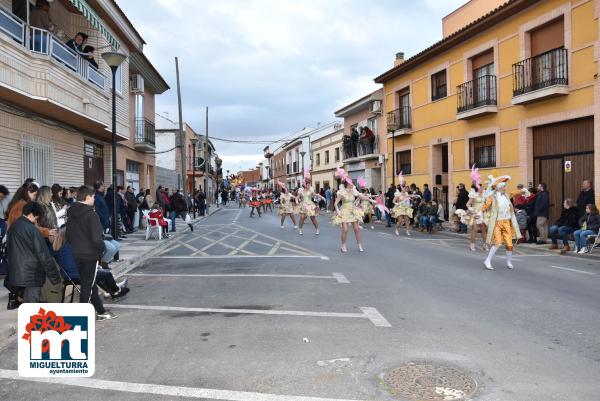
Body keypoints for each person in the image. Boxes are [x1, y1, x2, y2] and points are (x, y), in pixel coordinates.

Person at [66, 185, 116, 321]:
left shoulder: (71, 213)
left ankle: (101, 311)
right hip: (90, 255)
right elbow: (96, 238)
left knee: (89, 283)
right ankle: (81, 317)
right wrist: (102, 250)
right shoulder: (91, 214)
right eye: (93, 197)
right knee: (87, 286)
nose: (94, 199)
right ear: (87, 197)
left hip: (76, 254)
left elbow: (68, 236)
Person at [5, 202, 61, 304]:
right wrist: (55, 277)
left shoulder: (14, 226)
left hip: (18, 271)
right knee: (32, 303)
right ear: (32, 214)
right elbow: (43, 255)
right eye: (36, 218)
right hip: (32, 273)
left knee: (27, 302)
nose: (36, 220)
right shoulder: (32, 230)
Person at [53, 227, 129, 299]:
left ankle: (111, 290)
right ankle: (116, 291)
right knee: (106, 274)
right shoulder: (73, 248)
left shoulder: (60, 249)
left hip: (69, 278)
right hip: (80, 277)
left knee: (100, 273)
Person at [481, 176, 521, 270]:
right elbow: (485, 206)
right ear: (499, 187)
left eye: (505, 186)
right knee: (497, 243)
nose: (505, 188)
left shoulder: (506, 195)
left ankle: (508, 261)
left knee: (509, 244)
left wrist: (523, 190)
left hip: (507, 222)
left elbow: (514, 193)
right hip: (497, 223)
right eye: (503, 186)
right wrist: (478, 213)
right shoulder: (492, 197)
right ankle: (487, 260)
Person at [332, 174, 375, 253]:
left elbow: (362, 197)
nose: (352, 184)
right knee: (345, 230)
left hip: (353, 211)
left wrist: (372, 200)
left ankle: (359, 245)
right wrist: (338, 210)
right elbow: (335, 203)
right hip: (344, 211)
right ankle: (343, 245)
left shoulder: (354, 191)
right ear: (348, 184)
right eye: (351, 183)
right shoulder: (342, 192)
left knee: (357, 229)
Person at [464, 185, 488, 252]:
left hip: (482, 213)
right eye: (481, 187)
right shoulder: (474, 195)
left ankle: (485, 244)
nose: (483, 188)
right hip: (475, 213)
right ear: (478, 188)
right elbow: (468, 204)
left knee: (484, 229)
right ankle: (472, 244)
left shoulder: (484, 195)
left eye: (483, 187)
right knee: (475, 229)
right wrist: (472, 210)